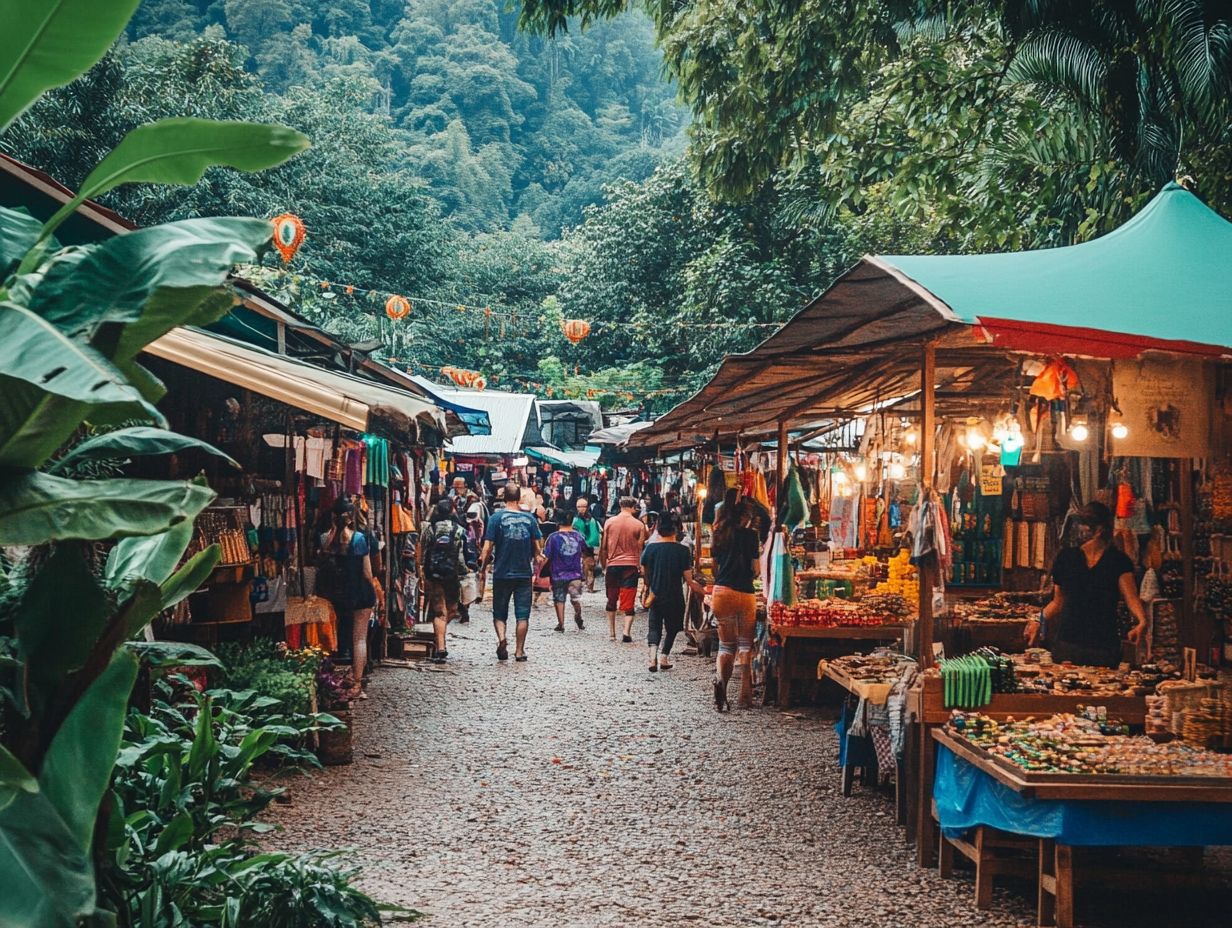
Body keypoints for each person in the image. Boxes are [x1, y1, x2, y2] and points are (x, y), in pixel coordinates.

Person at [1028, 501, 1147, 667]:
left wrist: (1142, 621)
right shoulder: (1066, 558)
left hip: (1103, 647)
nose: (1079, 529)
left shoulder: (1118, 561)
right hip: (1068, 644)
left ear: (1099, 530)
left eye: (1084, 524)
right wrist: (1037, 620)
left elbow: (1131, 597)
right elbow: (1057, 602)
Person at [320, 497, 377, 699]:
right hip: (360, 593)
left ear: (333, 517)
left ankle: (332, 680)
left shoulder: (325, 539)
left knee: (338, 635)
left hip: (337, 595)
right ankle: (357, 683)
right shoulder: (360, 539)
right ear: (351, 518)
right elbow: (367, 573)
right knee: (359, 638)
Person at [481, 483, 544, 661]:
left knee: (499, 612)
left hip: (501, 572)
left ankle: (502, 639)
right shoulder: (530, 519)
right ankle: (519, 651)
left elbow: (487, 548)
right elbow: (538, 549)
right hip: (524, 573)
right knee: (522, 614)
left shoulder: (495, 518)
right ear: (519, 498)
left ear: (503, 497)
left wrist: (483, 567)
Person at [639, 511, 706, 672]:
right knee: (673, 627)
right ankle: (664, 657)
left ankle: (652, 658)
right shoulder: (682, 551)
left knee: (654, 627)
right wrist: (703, 592)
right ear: (676, 530)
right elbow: (689, 579)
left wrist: (648, 585)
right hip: (675, 595)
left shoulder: (650, 548)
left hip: (655, 594)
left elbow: (644, 571)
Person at [710, 498, 760, 711]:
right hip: (745, 593)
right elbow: (756, 569)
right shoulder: (751, 536)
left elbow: (714, 566)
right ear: (744, 517)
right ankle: (744, 695)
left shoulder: (719, 534)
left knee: (726, 646)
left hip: (722, 593)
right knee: (745, 645)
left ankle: (722, 681)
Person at [418, 499, 469, 664]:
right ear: (453, 510)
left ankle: (440, 641)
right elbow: (462, 557)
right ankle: (441, 646)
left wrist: (422, 572)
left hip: (434, 575)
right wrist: (464, 573)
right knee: (452, 610)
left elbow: (423, 552)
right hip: (452, 576)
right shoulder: (460, 530)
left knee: (440, 612)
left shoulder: (429, 529)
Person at [599, 496, 648, 642]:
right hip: (631, 565)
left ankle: (612, 632)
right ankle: (626, 632)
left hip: (613, 565)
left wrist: (603, 565)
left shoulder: (610, 522)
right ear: (633, 507)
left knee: (611, 598)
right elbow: (641, 548)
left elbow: (603, 547)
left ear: (620, 506)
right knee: (629, 598)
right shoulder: (639, 525)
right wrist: (641, 566)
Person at [543, 516, 586, 631]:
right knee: (575, 598)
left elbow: (547, 556)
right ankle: (578, 615)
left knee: (559, 599)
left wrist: (541, 569)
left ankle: (561, 624)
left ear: (558, 523)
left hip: (558, 574)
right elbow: (585, 551)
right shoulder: (578, 536)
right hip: (575, 573)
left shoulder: (553, 537)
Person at [573, 497, 602, 592]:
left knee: (589, 568)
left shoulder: (592, 521)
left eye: (583, 506)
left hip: (588, 549)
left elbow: (595, 537)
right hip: (575, 548)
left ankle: (590, 587)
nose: (581, 509)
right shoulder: (574, 519)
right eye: (579, 507)